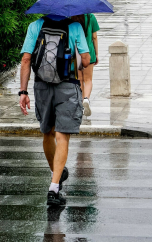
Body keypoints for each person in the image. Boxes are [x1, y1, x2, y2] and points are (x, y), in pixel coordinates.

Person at [19, 14, 90, 206]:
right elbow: (85, 60)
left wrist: (23, 91)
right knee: (62, 136)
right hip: (68, 86)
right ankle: (54, 187)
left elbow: (26, 60)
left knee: (47, 133)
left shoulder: (36, 25)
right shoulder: (75, 26)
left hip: (42, 86)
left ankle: (55, 173)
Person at [71, 14, 99, 117]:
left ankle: (81, 103)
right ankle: (86, 99)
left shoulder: (70, 17)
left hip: (76, 53)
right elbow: (94, 37)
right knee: (88, 80)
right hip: (89, 52)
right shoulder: (91, 17)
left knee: (79, 80)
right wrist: (96, 54)